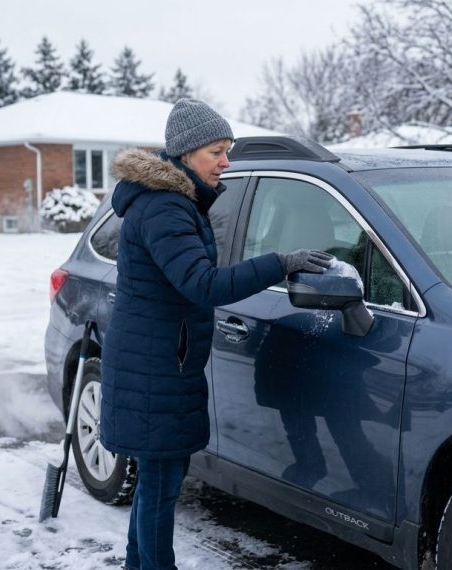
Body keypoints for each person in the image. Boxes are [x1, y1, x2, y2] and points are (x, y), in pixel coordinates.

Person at [99, 98, 333, 570]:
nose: (226, 162)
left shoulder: (170, 202)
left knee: (156, 483)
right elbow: (203, 284)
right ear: (186, 153)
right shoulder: (166, 207)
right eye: (216, 152)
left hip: (158, 363)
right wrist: (280, 263)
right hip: (156, 371)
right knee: (161, 486)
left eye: (227, 150)